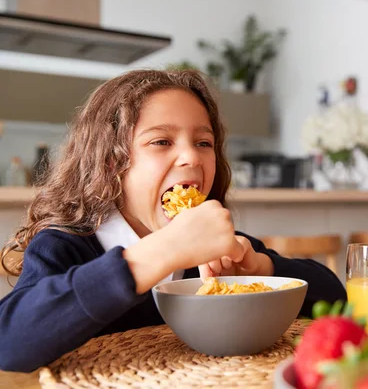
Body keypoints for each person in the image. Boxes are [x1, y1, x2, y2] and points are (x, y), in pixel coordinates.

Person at [0, 69, 346, 373]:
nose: (191, 156)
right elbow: (9, 342)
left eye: (204, 142)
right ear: (111, 162)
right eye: (161, 141)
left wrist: (262, 268)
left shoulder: (222, 251)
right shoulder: (68, 244)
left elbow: (337, 300)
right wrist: (158, 253)